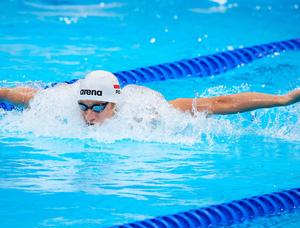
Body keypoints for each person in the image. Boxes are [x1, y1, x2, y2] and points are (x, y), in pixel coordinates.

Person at [0, 70, 299, 126]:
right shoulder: (63, 101)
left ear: (114, 104)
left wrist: (283, 99)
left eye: (98, 108)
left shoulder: (146, 112)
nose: (89, 116)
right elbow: (19, 95)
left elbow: (218, 104)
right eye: (84, 107)